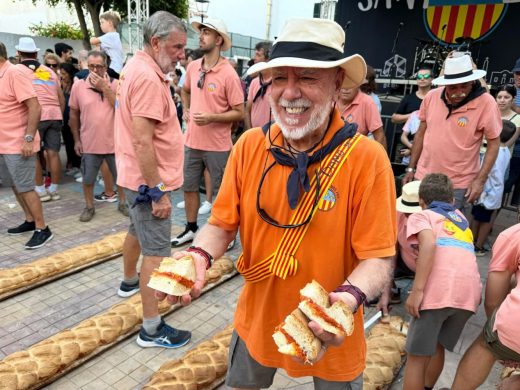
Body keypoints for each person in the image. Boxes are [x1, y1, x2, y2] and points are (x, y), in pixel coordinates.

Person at [157, 18, 397, 388]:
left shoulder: (367, 159)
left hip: (330, 323)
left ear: (337, 83)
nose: (289, 93)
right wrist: (198, 257)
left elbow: (378, 256)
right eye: (280, 78)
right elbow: (221, 224)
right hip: (257, 316)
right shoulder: (251, 145)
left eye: (307, 78)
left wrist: (349, 299)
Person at [114, 11, 191, 348]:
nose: (181, 54)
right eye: (177, 47)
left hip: (136, 179)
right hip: (149, 185)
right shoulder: (146, 77)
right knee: (157, 254)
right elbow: (143, 141)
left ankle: (129, 281)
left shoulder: (138, 68)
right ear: (156, 42)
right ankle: (151, 328)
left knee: (136, 231)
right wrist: (159, 193)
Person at [402, 173, 481, 390]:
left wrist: (417, 291)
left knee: (416, 358)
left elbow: (429, 245)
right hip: (468, 298)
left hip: (438, 294)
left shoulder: (422, 216)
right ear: (452, 201)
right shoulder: (461, 220)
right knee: (437, 346)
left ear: (421, 202)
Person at [171, 18, 245, 246]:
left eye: (207, 33)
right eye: (201, 32)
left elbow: (239, 112)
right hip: (192, 141)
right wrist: (187, 109)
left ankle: (226, 233)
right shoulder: (193, 67)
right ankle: (191, 228)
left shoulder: (228, 73)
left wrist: (212, 117)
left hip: (218, 145)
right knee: (190, 187)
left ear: (218, 40)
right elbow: (184, 90)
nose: (201, 36)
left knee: (225, 193)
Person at [403, 53, 502, 213]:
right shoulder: (431, 97)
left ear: (473, 82)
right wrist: (410, 168)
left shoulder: (487, 103)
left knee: (448, 231)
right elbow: (421, 133)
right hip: (424, 176)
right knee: (418, 225)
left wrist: (480, 180)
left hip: (458, 183)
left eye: (464, 86)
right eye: (453, 87)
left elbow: (494, 144)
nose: (459, 92)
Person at [451, 224, 520, 390]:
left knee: (484, 346)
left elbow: (492, 301)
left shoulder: (514, 235)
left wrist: (496, 338)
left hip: (515, 326)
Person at [0, 41, 53, 249]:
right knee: (15, 185)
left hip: (18, 143)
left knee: (25, 187)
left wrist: (29, 138)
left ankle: (43, 228)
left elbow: (35, 107)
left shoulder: (14, 73)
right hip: (4, 143)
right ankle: (30, 220)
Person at [69, 50, 127, 222]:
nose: (94, 70)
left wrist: (104, 87)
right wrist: (77, 140)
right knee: (88, 179)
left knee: (121, 179)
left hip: (114, 143)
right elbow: (73, 115)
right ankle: (89, 206)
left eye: (99, 66)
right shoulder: (78, 86)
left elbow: (121, 108)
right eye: (91, 66)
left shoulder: (117, 84)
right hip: (89, 143)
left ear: (106, 67)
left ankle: (123, 203)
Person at [16, 37, 65, 202]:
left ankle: (40, 190)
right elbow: (60, 98)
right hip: (55, 115)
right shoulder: (49, 71)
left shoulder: (18, 70)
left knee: (35, 154)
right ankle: (54, 189)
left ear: (18, 53)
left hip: (37, 116)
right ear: (36, 53)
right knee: (53, 153)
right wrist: (59, 113)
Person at [471, 120, 516, 255]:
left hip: (486, 191)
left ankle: (474, 244)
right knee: (485, 218)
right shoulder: (505, 151)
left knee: (478, 218)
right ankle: (477, 243)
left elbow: (486, 171)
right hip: (493, 191)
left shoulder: (494, 152)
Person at [377, 180, 421, 316]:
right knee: (377, 253)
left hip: (432, 271)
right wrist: (386, 293)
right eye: (406, 213)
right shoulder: (396, 214)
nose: (408, 221)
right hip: (405, 258)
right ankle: (393, 292)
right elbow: (390, 254)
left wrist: (417, 292)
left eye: (413, 214)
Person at [337, 81, 387, 149]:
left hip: (355, 152)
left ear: (358, 84)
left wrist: (380, 158)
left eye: (350, 84)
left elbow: (379, 134)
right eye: (343, 84)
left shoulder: (367, 102)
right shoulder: (330, 97)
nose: (346, 88)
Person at [498, 84, 520, 207]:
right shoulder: (489, 113)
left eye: (506, 97)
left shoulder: (517, 119)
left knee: (497, 197)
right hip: (480, 158)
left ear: (513, 99)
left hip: (501, 162)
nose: (502, 100)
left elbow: (507, 144)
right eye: (499, 97)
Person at [59, 62, 81, 177]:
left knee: (75, 141)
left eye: (64, 73)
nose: (63, 76)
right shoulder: (61, 84)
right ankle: (71, 163)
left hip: (72, 117)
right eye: (61, 73)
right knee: (67, 142)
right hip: (64, 117)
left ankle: (77, 165)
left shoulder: (75, 84)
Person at [244, 41, 273, 130]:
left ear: (268, 58)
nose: (254, 58)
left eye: (258, 55)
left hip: (273, 138)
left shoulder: (279, 83)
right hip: (255, 137)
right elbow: (247, 111)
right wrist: (250, 132)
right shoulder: (254, 82)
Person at [90, 10, 124, 79]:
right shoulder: (114, 36)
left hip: (114, 69)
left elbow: (93, 41)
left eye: (102, 22)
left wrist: (92, 38)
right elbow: (98, 49)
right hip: (117, 69)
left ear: (110, 23)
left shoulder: (110, 36)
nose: (100, 25)